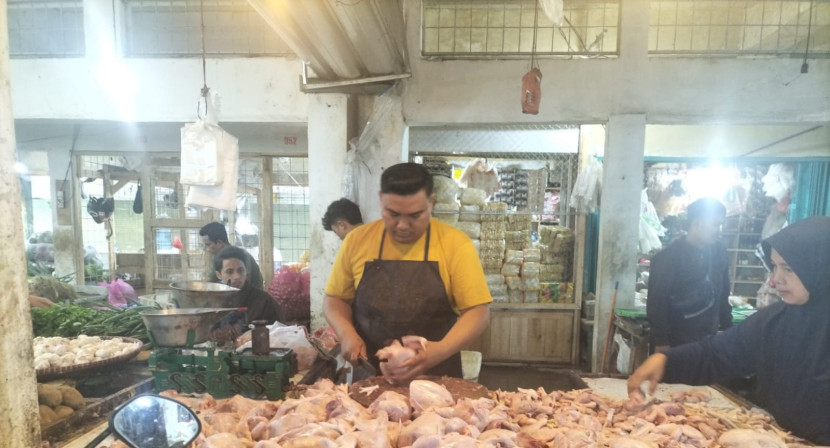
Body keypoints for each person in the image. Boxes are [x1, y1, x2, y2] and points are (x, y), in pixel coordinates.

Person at [627, 216, 830, 444]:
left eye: (788, 269)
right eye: (774, 267)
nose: (774, 280)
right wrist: (665, 361)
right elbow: (717, 354)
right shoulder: (775, 322)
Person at [323, 163, 492, 384]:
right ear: (381, 198)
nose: (402, 225)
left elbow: (478, 311)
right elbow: (335, 299)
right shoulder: (357, 241)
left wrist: (440, 350)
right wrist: (346, 334)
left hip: (437, 374)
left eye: (415, 215)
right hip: (371, 373)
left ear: (430, 203)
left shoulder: (455, 243)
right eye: (392, 214)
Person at [646, 198, 732, 352]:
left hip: (708, 340)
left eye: (720, 224)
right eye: (715, 224)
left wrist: (727, 329)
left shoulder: (719, 253)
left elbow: (722, 293)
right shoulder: (667, 258)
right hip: (676, 343)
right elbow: (657, 303)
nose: (719, 230)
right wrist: (661, 342)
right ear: (698, 224)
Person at [210, 246, 284, 341]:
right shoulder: (213, 302)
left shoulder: (265, 302)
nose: (237, 276)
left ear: (246, 272)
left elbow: (280, 336)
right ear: (218, 275)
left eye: (240, 270)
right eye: (230, 272)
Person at [199, 222, 264, 289]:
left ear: (219, 243)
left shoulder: (240, 256)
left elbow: (244, 285)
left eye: (208, 245)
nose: (207, 249)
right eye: (229, 272)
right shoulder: (220, 258)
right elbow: (209, 281)